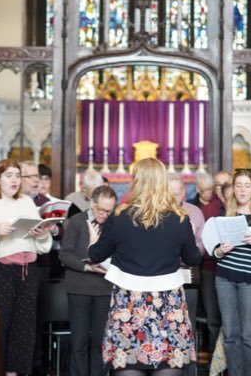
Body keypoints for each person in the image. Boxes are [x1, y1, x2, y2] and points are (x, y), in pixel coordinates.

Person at [88, 158, 201, 375]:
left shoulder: (120, 217)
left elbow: (95, 255)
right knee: (169, 363)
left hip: (129, 303)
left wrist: (94, 240)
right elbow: (193, 259)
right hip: (167, 303)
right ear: (163, 183)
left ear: (136, 182)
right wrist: (191, 235)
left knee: (128, 363)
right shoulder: (179, 219)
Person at [0, 159, 52, 376]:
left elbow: (42, 246)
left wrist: (42, 234)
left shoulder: (26, 202)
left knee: (24, 326)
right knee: (0, 326)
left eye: (17, 175)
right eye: (8, 176)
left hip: (28, 271)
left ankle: (16, 372)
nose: (14, 180)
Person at [212, 168, 251, 376]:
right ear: (233, 189)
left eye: (247, 186)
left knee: (249, 334)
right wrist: (220, 250)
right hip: (225, 278)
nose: (242, 190)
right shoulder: (224, 215)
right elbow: (214, 250)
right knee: (230, 333)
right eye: (238, 185)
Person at [60, 185, 117, 376]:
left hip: (105, 289)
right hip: (79, 287)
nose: (103, 215)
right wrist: (86, 267)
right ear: (92, 203)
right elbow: (65, 255)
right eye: (100, 209)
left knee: (101, 342)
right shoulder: (77, 222)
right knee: (79, 342)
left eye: (109, 211)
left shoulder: (114, 224)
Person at [168, 173, 207, 376]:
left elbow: (203, 243)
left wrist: (191, 246)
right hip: (164, 276)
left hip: (188, 274)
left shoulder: (194, 212)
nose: (174, 197)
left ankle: (188, 371)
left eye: (177, 193)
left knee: (188, 324)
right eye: (170, 193)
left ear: (183, 191)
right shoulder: (160, 211)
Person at [188, 172, 222, 355]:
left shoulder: (221, 205)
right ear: (198, 190)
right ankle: (208, 354)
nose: (209, 193)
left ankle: (219, 357)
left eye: (211, 189)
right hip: (201, 265)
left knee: (218, 314)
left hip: (219, 264)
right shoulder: (192, 206)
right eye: (205, 190)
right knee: (207, 313)